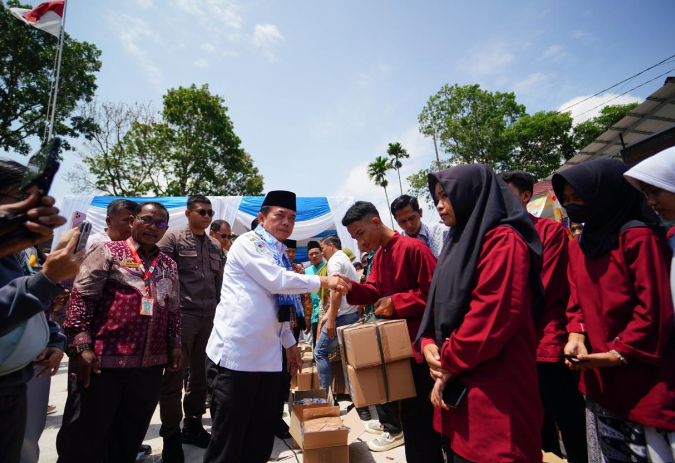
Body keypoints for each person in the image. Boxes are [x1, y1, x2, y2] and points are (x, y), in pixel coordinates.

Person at [203, 190, 344, 463]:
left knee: (260, 436)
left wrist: (290, 344)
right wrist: (323, 282)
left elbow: (278, 305)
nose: (286, 222)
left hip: (268, 360)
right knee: (228, 441)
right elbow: (277, 281)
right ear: (262, 217)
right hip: (237, 357)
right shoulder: (249, 242)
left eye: (291, 217)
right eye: (279, 215)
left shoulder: (278, 252)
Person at [417, 164, 544, 463]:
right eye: (436, 197)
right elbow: (437, 303)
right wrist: (428, 345)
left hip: (494, 386)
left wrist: (448, 360)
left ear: (470, 194)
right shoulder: (456, 241)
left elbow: (493, 314)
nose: (439, 205)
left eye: (446, 195)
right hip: (459, 381)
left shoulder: (503, 240)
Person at [552, 159, 675, 463]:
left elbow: (654, 309)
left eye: (578, 198)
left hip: (642, 375)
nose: (572, 207)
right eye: (566, 201)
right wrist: (575, 336)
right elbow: (576, 301)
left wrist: (618, 354)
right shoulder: (578, 246)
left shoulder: (637, 238)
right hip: (598, 379)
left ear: (604, 194)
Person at [57, 202, 182, 463]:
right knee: (84, 439)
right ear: (134, 220)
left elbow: (172, 309)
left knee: (128, 439)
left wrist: (175, 345)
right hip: (103, 364)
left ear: (166, 230)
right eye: (147, 219)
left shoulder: (168, 264)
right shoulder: (108, 251)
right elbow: (82, 298)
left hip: (149, 368)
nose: (152, 226)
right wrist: (81, 347)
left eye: (160, 224)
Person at [336, 201, 443, 462]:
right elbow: (373, 290)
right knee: (410, 413)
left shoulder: (414, 248)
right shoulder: (381, 256)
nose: (360, 243)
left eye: (360, 234)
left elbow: (436, 295)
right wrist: (349, 287)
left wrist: (397, 301)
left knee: (424, 415)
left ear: (375, 222)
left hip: (422, 346)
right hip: (399, 346)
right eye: (354, 238)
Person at [501, 170, 587, 463]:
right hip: (516, 345)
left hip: (546, 341)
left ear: (526, 197)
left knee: (567, 415)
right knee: (534, 421)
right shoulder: (500, 237)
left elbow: (546, 289)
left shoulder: (549, 232)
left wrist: (505, 314)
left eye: (507, 193)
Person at [0, 161, 82, 463]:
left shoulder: (21, 249)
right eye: (23, 202)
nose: (34, 214)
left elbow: (33, 307)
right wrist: (45, 281)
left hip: (17, 380)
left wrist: (53, 340)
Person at [157, 195, 223, 462]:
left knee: (200, 378)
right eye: (201, 211)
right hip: (181, 317)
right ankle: (171, 435)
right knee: (173, 377)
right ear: (188, 213)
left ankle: (193, 425)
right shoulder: (172, 239)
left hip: (209, 318)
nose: (207, 216)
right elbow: (157, 275)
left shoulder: (215, 245)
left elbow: (221, 283)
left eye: (210, 212)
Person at [314, 235, 360, 390]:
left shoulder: (334, 261)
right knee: (349, 358)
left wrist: (331, 319)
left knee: (320, 353)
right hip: (351, 314)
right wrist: (327, 317)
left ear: (331, 245)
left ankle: (324, 398)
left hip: (341, 317)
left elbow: (337, 292)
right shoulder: (346, 260)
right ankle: (360, 405)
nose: (321, 253)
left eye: (322, 249)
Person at [304, 240, 325, 347]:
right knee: (317, 344)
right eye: (311, 254)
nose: (314, 255)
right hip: (313, 315)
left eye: (316, 253)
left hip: (327, 312)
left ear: (322, 253)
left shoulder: (328, 267)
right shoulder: (306, 272)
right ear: (308, 256)